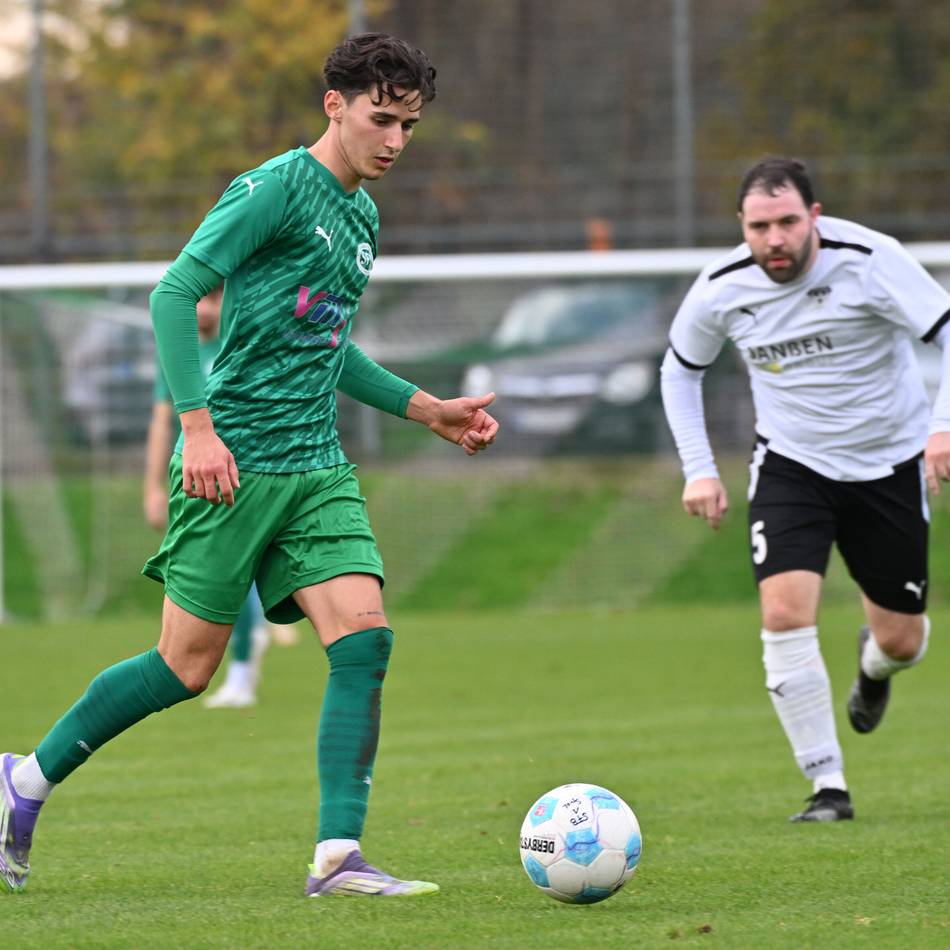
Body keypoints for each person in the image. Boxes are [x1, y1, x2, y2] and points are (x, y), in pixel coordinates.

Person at [1, 32, 498, 897]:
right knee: (184, 668)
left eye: (409, 127)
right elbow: (172, 295)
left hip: (315, 467)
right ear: (334, 106)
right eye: (381, 119)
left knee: (365, 640)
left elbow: (326, 345)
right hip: (230, 463)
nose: (394, 141)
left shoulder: (362, 216)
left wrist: (429, 411)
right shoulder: (271, 191)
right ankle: (22, 783)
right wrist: (197, 428)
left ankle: (338, 857)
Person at [660, 157, 950, 822]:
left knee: (903, 640)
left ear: (814, 217)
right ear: (743, 226)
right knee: (785, 612)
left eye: (788, 222)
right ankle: (828, 787)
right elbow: (679, 372)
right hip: (793, 465)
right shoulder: (722, 287)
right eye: (760, 226)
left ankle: (873, 669)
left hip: (891, 463)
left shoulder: (872, 259)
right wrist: (699, 467)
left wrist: (943, 426)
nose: (775, 239)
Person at [143, 285, 270, 709]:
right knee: (221, 575)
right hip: (195, 478)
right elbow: (163, 423)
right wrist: (153, 486)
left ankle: (240, 673)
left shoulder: (242, 341)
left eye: (215, 298)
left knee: (232, 572)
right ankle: (242, 654)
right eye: (200, 298)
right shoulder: (179, 354)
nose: (204, 309)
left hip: (246, 472)